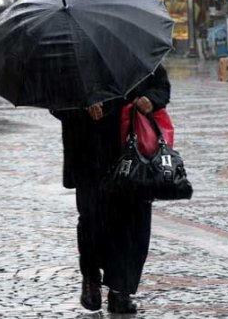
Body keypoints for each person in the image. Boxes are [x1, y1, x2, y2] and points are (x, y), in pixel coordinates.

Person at [51, 65, 171, 313]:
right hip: (89, 156)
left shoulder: (135, 48)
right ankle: (91, 279)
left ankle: (121, 290)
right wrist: (83, 106)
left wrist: (151, 99)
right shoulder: (72, 55)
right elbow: (56, 100)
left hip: (133, 152)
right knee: (93, 221)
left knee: (134, 223)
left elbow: (161, 87)